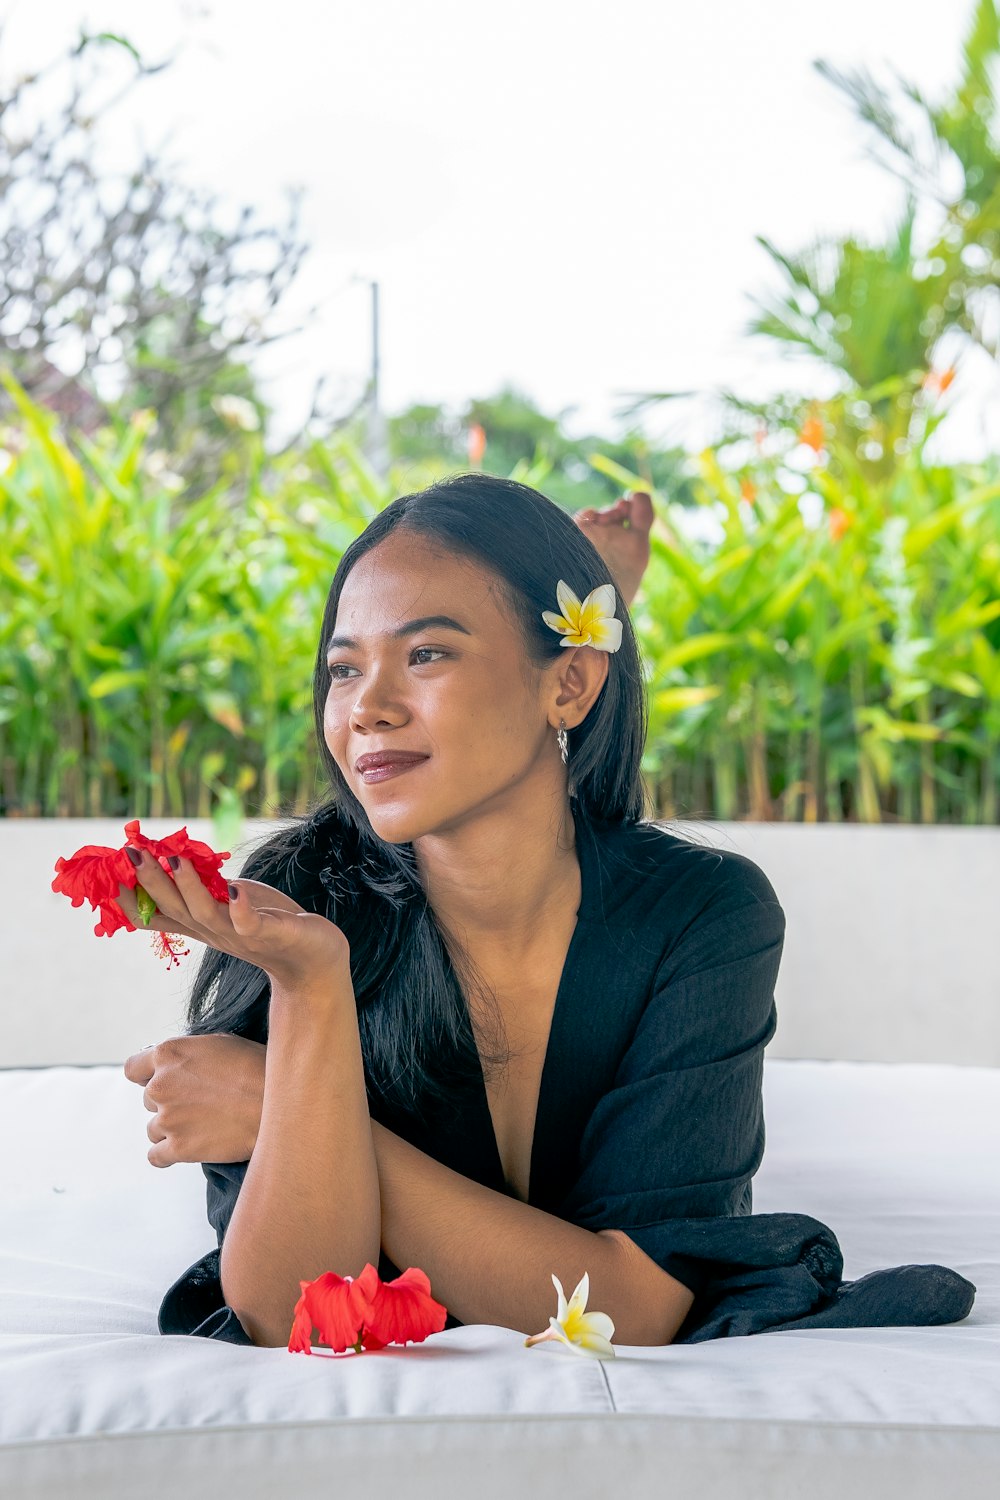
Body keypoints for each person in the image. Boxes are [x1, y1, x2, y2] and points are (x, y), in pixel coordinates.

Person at [121, 473, 975, 1350]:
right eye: (344, 669)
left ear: (570, 685)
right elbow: (288, 1315)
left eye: (426, 654)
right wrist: (311, 987)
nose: (366, 709)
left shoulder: (701, 912)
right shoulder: (297, 905)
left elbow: (634, 1311)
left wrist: (282, 1107)